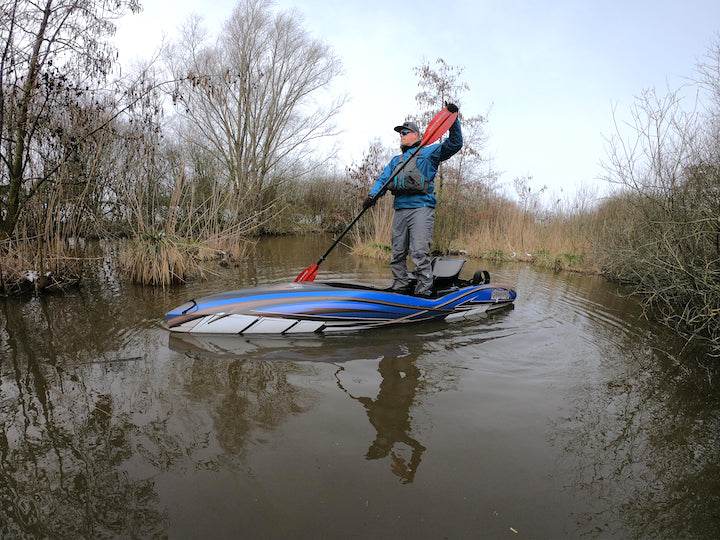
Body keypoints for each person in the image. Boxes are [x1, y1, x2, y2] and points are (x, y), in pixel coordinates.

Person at [363, 104, 462, 297]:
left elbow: (455, 143)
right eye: (400, 133)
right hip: (400, 210)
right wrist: (372, 196)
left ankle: (424, 291)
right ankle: (399, 285)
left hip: (421, 209)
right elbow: (383, 180)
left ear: (416, 135)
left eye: (405, 132)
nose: (401, 135)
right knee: (397, 252)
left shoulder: (430, 152)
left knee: (419, 252)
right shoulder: (395, 161)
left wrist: (454, 119)